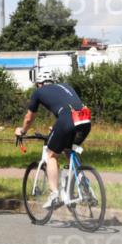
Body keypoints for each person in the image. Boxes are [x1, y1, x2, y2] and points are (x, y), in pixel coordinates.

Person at [15, 70, 92, 209]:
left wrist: (22, 131)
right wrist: (57, 127)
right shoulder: (66, 86)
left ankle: (54, 195)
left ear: (39, 84)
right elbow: (69, 108)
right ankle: (84, 185)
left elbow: (29, 118)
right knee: (68, 150)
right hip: (85, 119)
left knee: (51, 155)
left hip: (67, 120)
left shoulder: (38, 92)